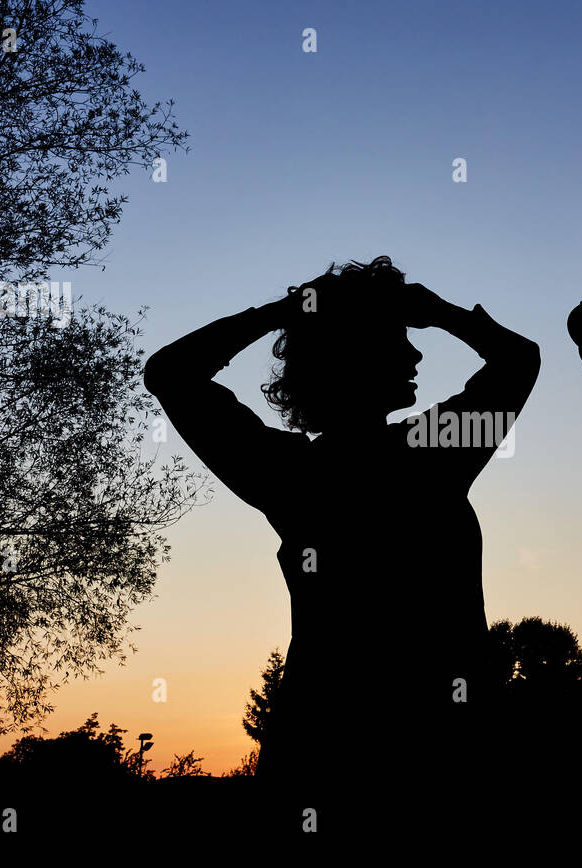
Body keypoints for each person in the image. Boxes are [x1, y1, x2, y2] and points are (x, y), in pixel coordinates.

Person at [143, 256, 539, 793]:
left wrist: (285, 312)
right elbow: (518, 359)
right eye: (397, 336)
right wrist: (440, 312)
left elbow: (172, 372)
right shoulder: (435, 455)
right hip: (449, 752)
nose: (415, 350)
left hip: (319, 745)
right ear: (357, 355)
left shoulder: (288, 475)